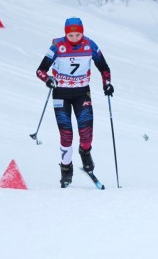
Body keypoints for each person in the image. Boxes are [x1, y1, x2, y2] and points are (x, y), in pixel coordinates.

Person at [36, 17, 114, 188]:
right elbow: (40, 70)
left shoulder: (90, 45)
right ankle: (66, 169)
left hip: (82, 93)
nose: (74, 38)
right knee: (66, 135)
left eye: (78, 35)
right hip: (61, 93)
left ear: (82, 33)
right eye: (70, 35)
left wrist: (107, 84)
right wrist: (48, 79)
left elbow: (104, 67)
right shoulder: (57, 47)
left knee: (86, 133)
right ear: (66, 34)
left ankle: (85, 152)